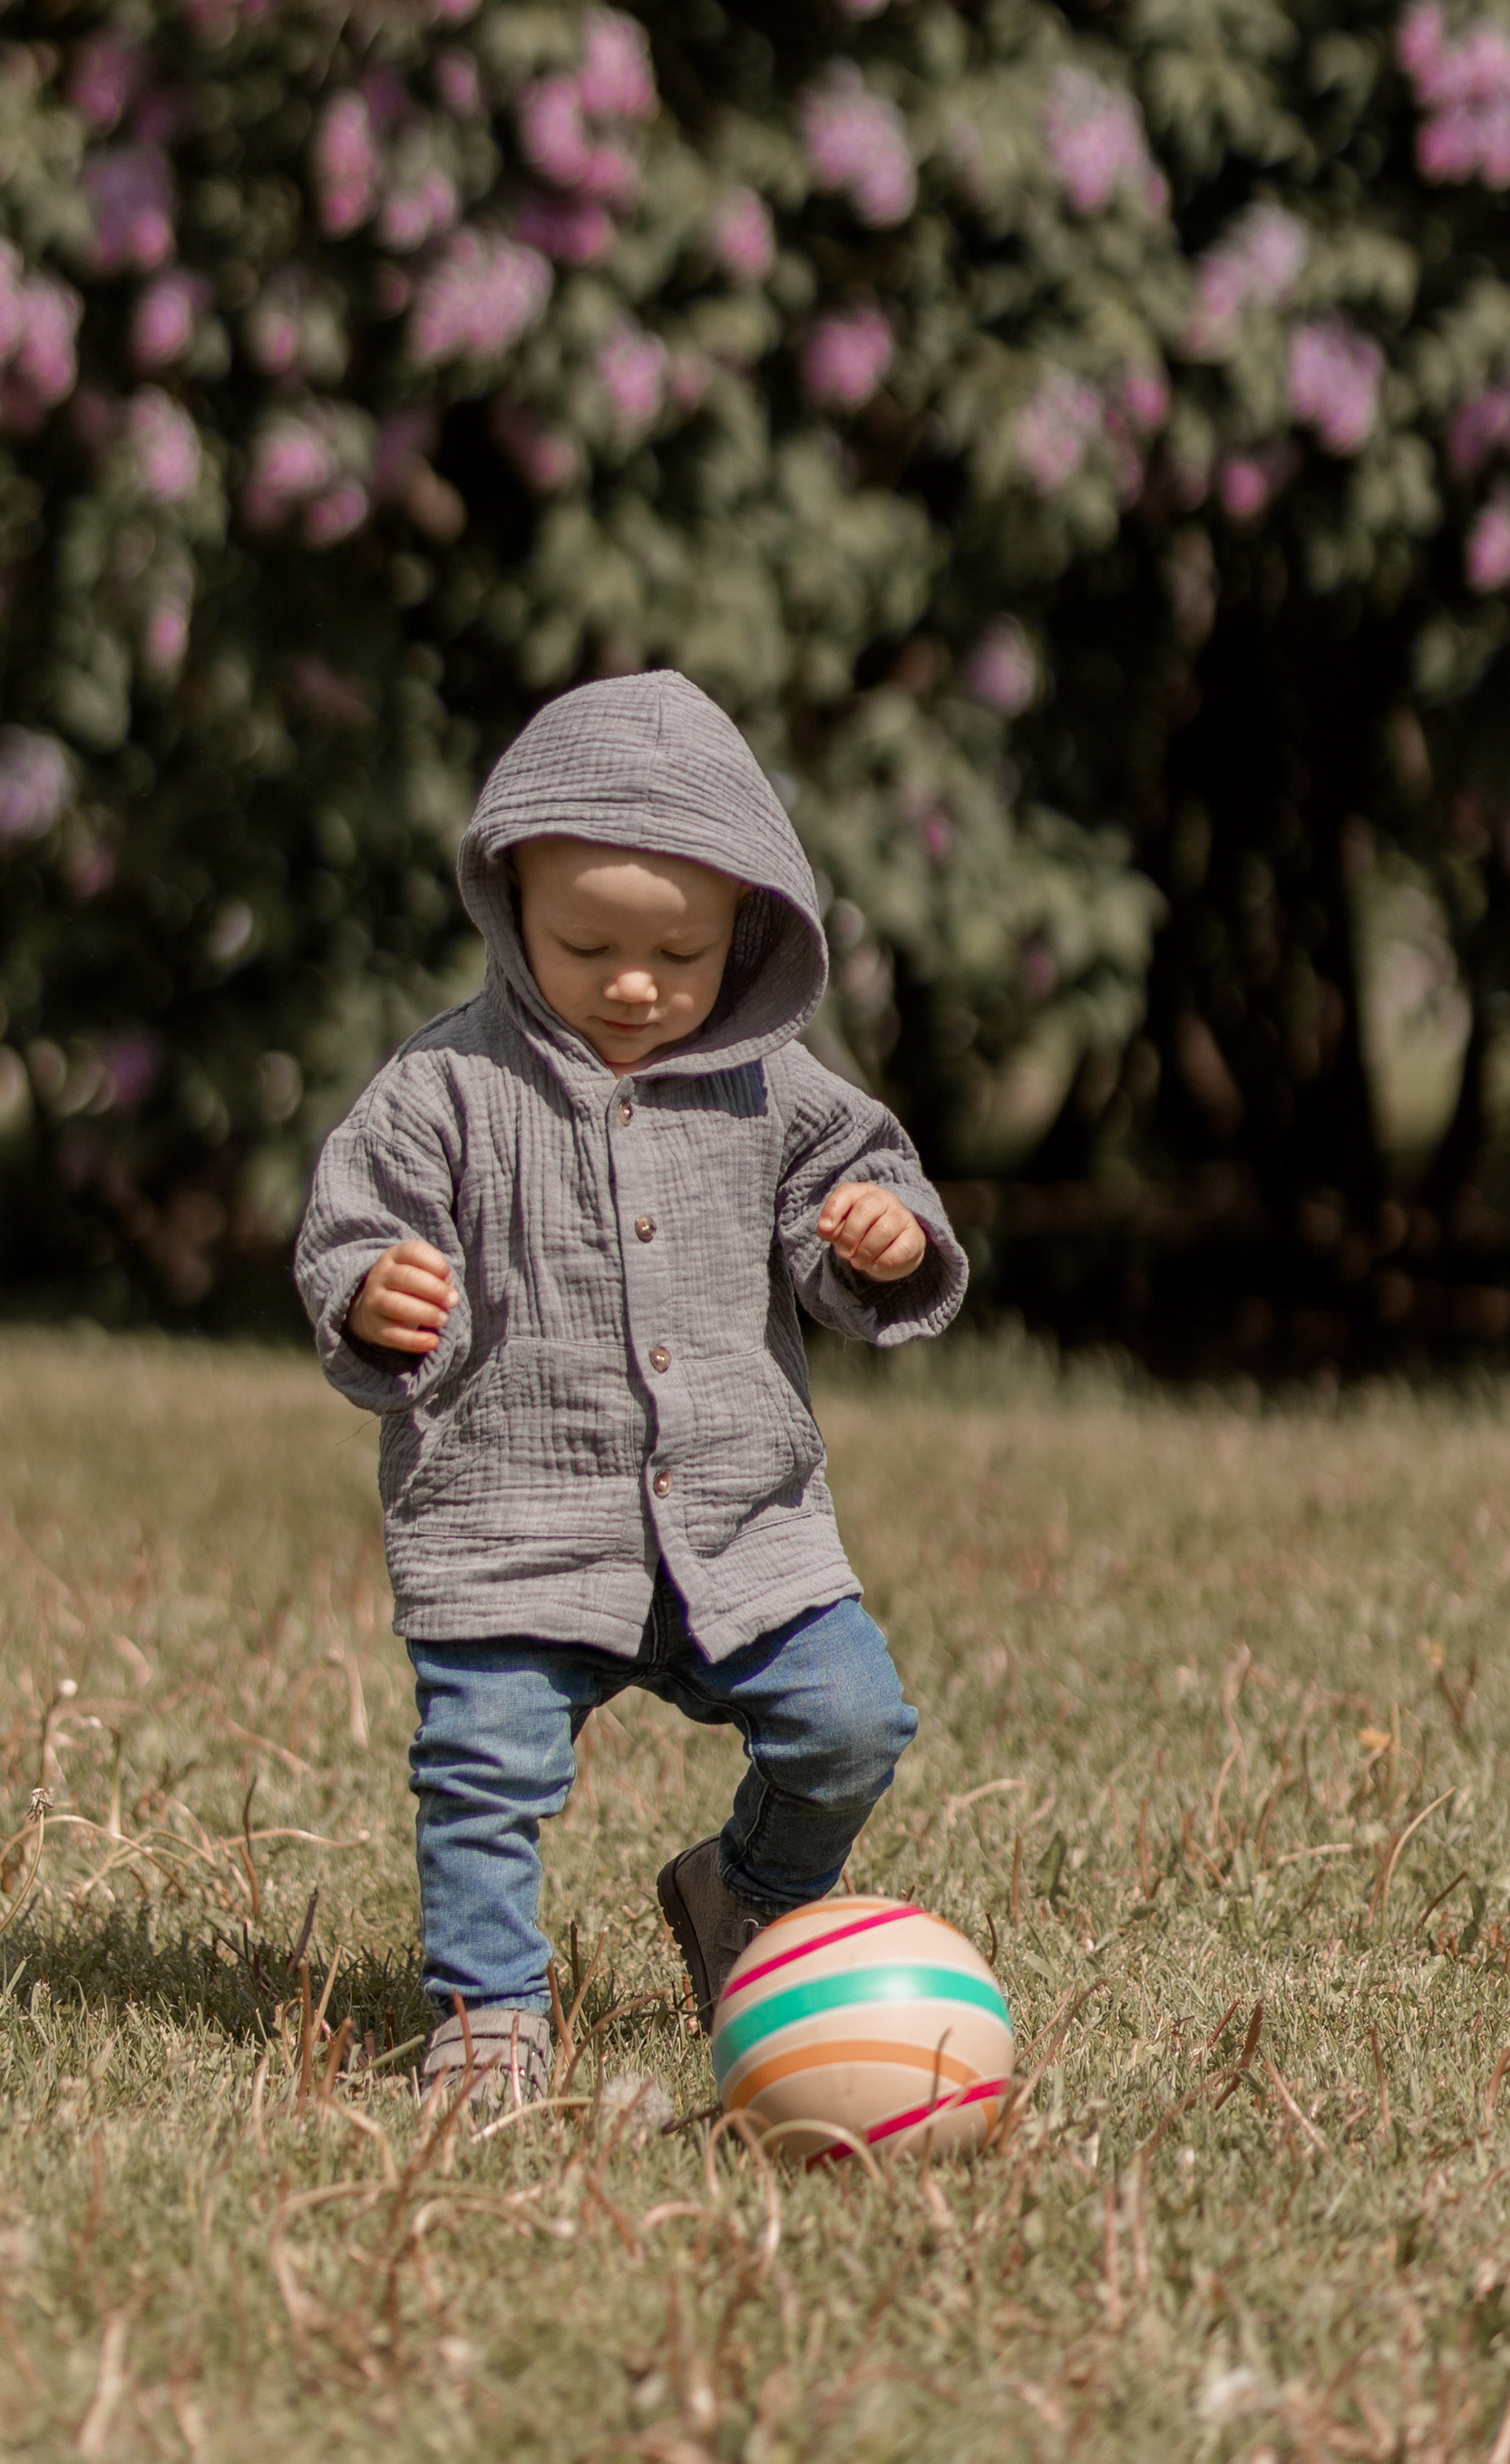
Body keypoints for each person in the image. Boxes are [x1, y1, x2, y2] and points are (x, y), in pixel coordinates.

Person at [295, 670, 968, 2109]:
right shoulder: (445, 1090)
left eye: (684, 950)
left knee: (852, 1720)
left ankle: (745, 1895)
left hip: (737, 1519)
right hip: (514, 1520)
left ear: (751, 930)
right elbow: (350, 1222)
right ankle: (487, 2014)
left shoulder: (775, 1086)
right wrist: (371, 1288)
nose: (637, 983)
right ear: (509, 904)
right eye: (586, 941)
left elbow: (870, 1187)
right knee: (482, 1781)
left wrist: (880, 1234)